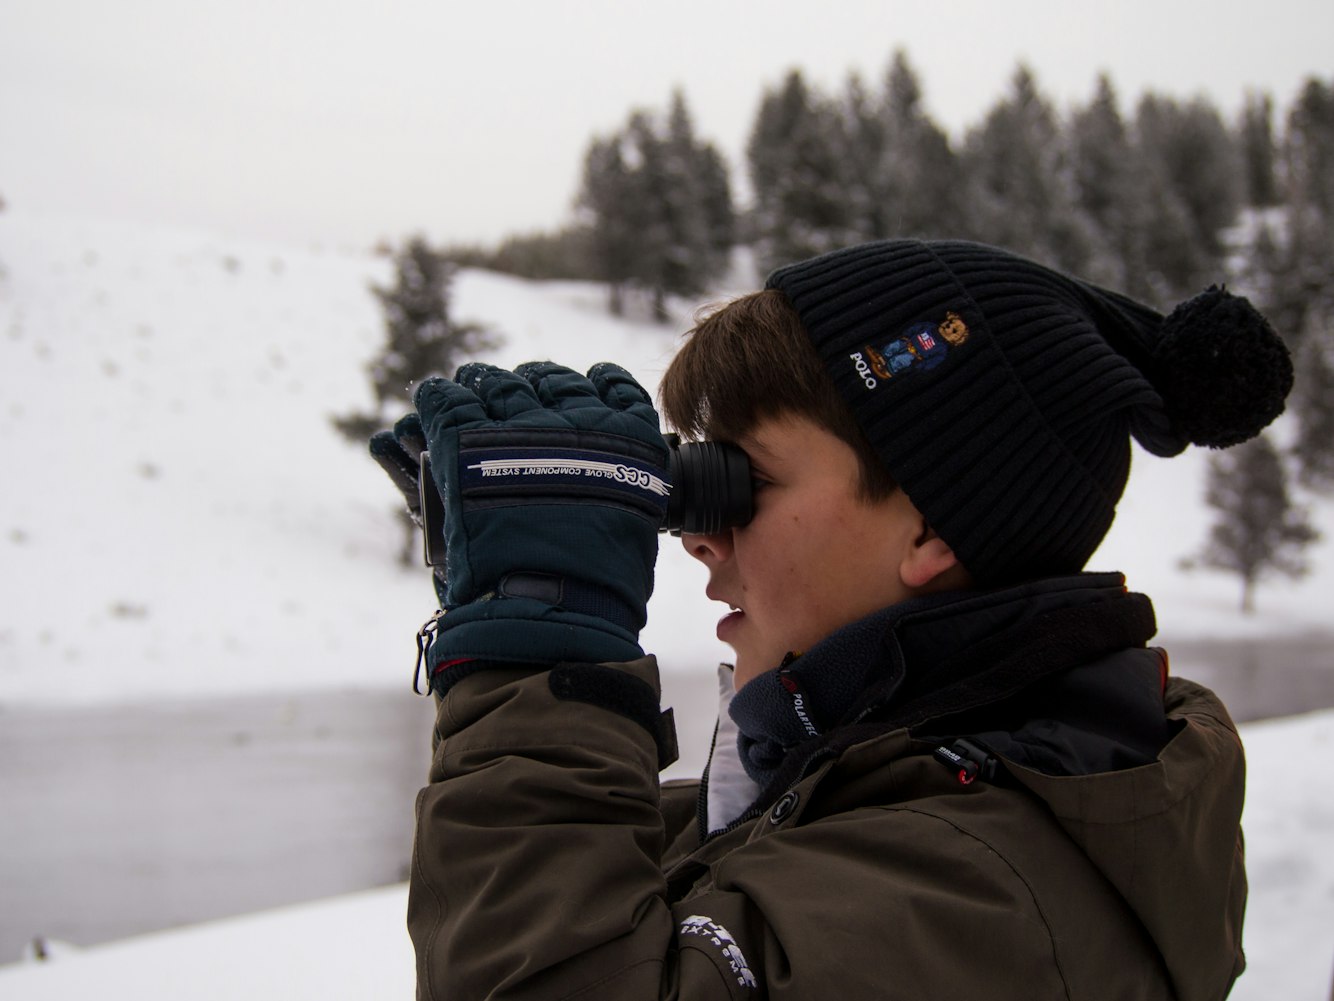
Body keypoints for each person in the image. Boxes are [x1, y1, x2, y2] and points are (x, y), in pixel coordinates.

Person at [370, 239, 1291, 1000]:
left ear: (931, 529)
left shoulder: (984, 894)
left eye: (746, 484)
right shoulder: (868, 785)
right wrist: (508, 575)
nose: (700, 539)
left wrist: (539, 648)